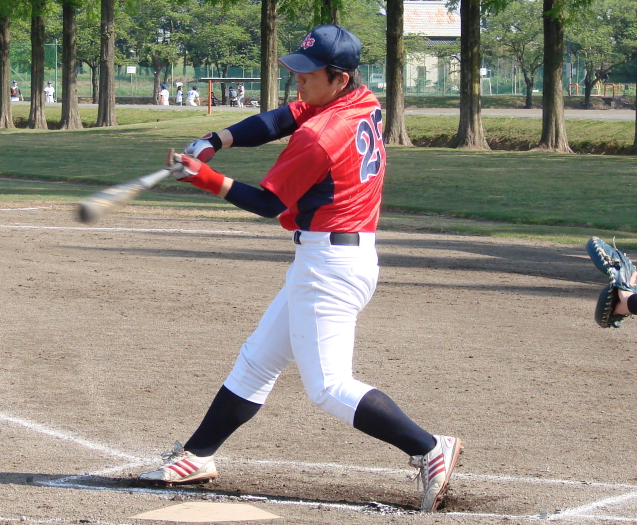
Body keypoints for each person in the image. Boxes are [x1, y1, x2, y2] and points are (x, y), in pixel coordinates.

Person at [138, 24, 462, 513]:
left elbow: (269, 203)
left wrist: (205, 178)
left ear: (339, 77)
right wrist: (215, 138)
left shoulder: (321, 135)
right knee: (257, 360)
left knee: (329, 387)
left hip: (329, 265)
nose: (299, 81)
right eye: (298, 71)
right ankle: (198, 455)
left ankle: (429, 447)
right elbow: (279, 119)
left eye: (309, 75)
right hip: (337, 256)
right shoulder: (359, 101)